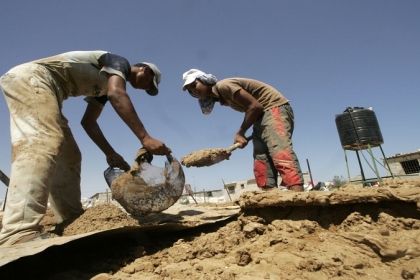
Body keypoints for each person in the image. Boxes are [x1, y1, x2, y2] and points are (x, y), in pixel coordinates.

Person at [0, 50, 170, 245]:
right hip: (33, 78)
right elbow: (118, 94)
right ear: (145, 70)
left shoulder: (107, 87)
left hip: (50, 93)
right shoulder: (118, 62)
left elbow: (88, 122)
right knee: (43, 141)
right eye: (150, 83)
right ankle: (18, 230)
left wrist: (110, 153)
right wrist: (145, 137)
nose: (146, 88)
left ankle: (70, 219)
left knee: (70, 155)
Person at [181, 69, 304, 193]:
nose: (193, 90)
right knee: (261, 157)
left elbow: (255, 107)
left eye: (194, 85)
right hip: (260, 117)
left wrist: (240, 133)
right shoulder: (221, 97)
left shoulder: (224, 86)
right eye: (190, 90)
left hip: (273, 108)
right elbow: (255, 110)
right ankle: (269, 196)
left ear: (204, 80)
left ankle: (298, 195)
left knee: (279, 150)